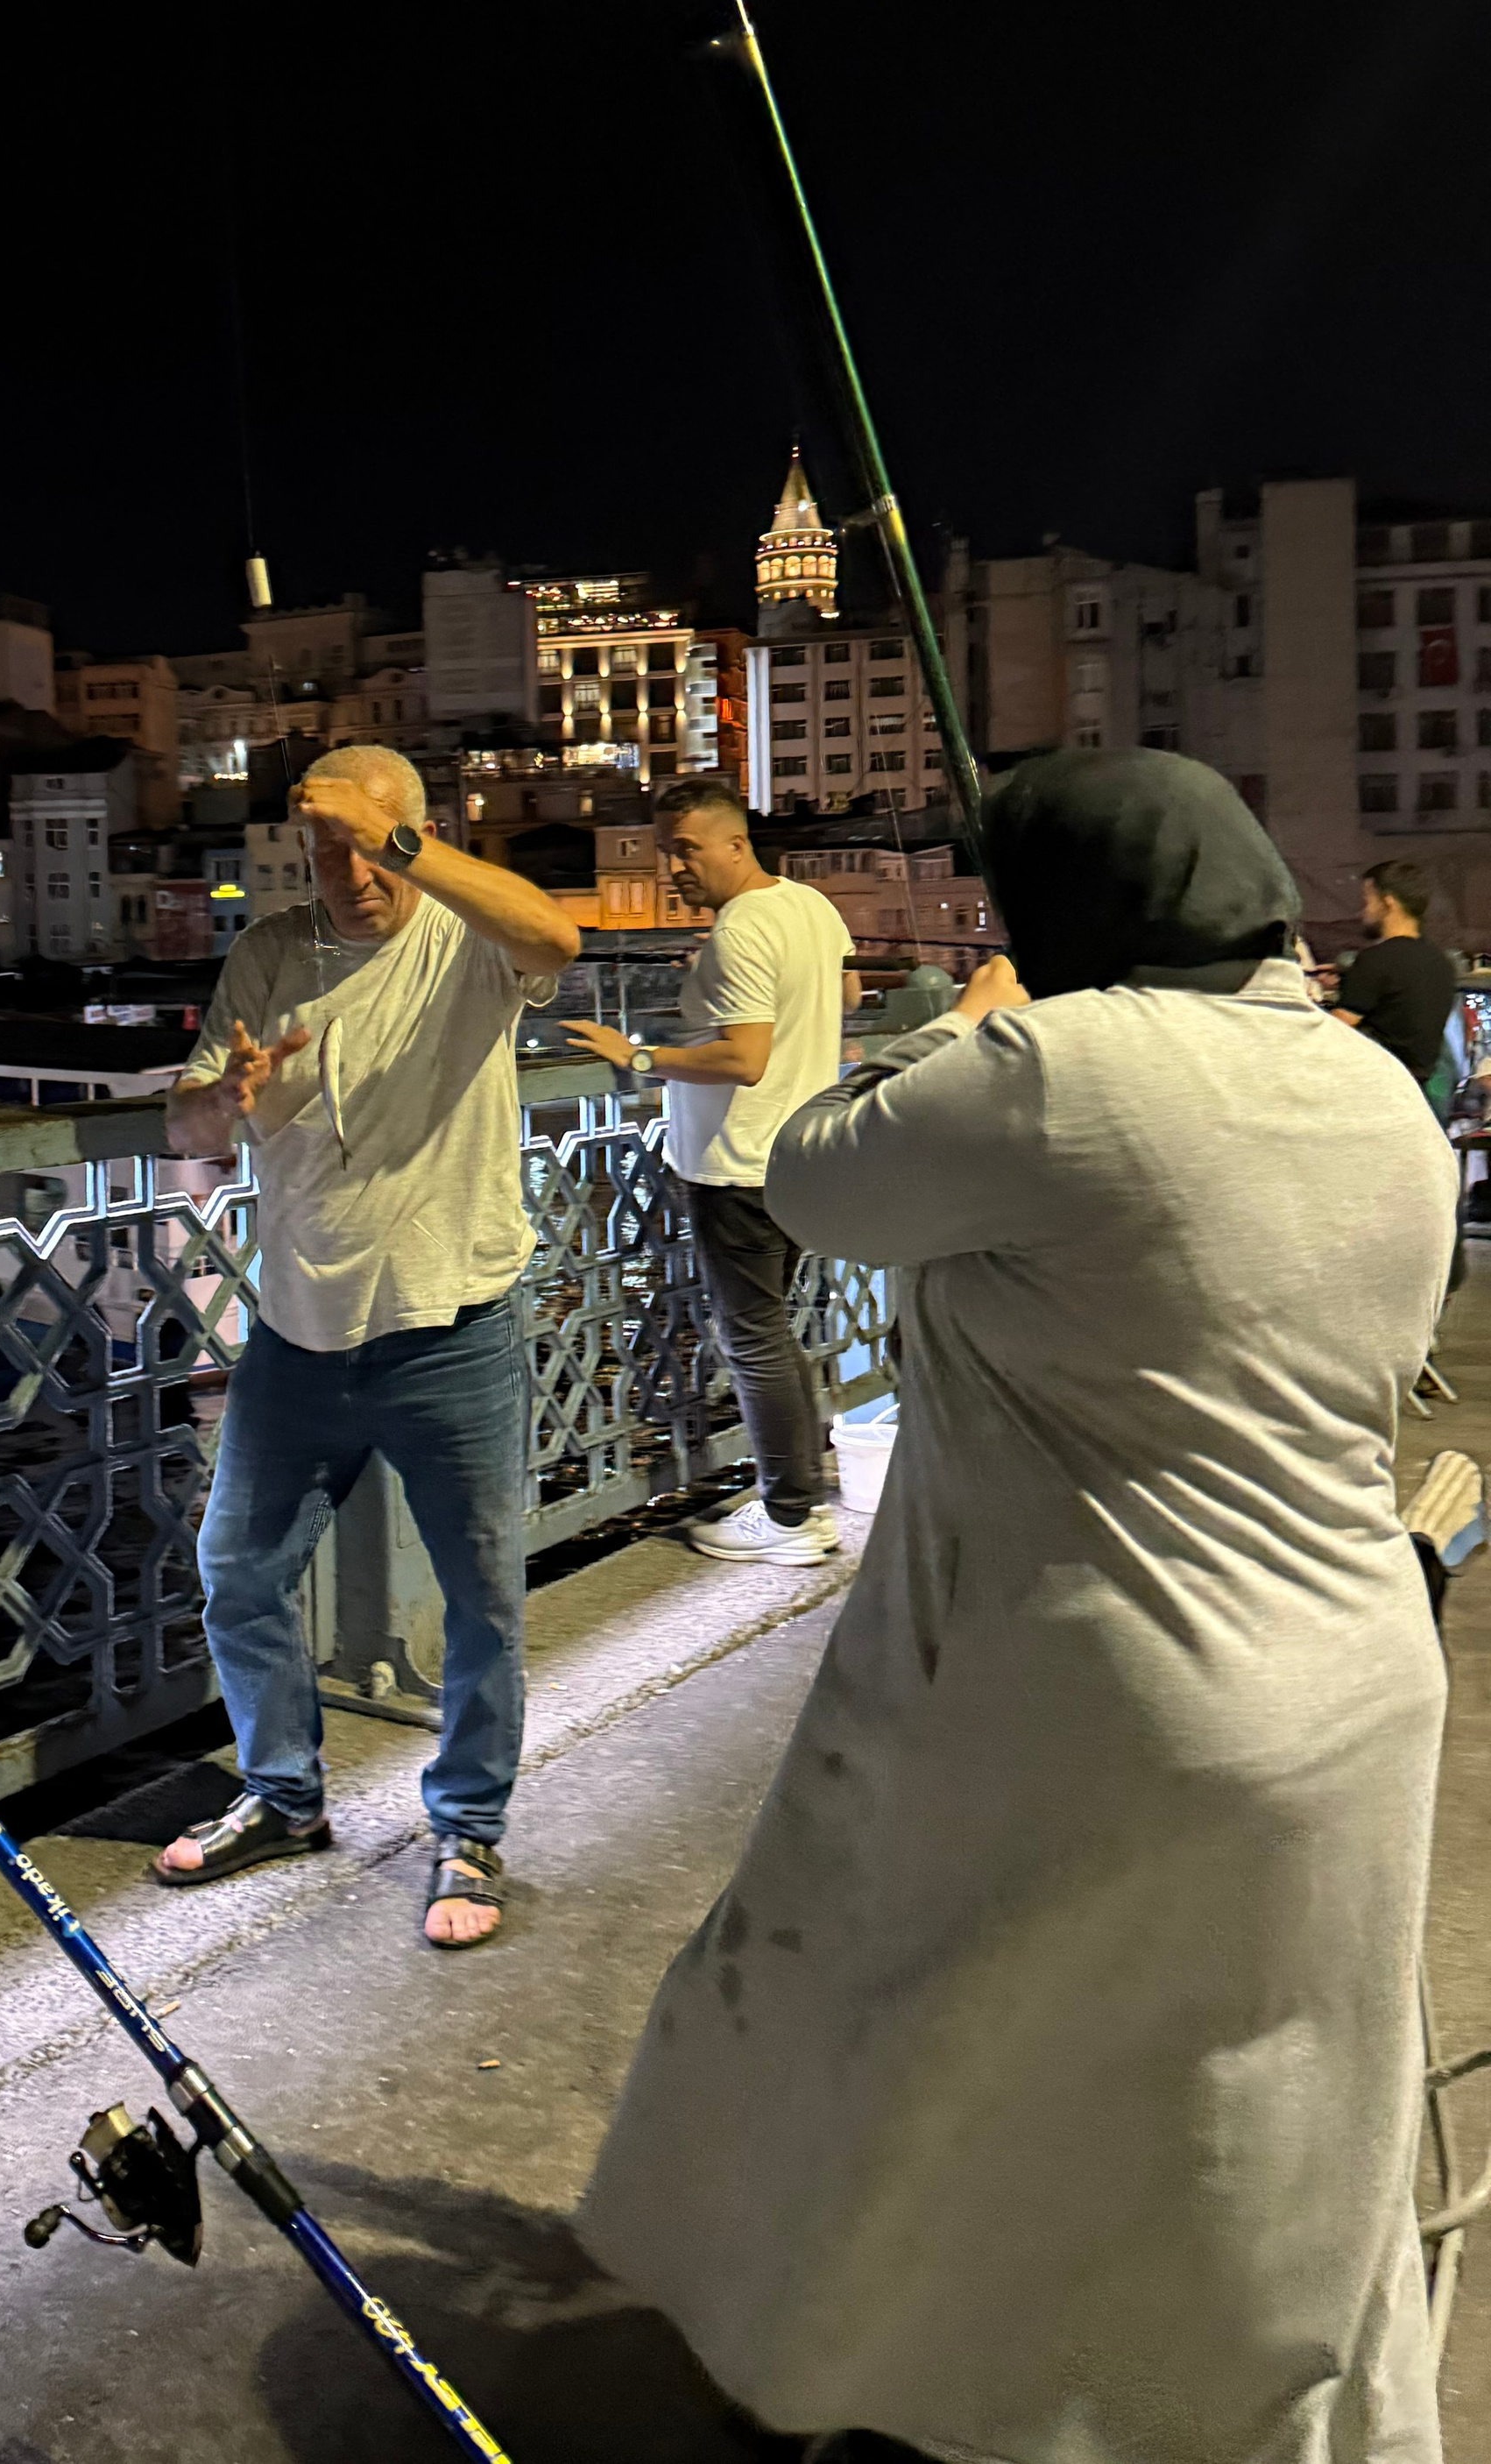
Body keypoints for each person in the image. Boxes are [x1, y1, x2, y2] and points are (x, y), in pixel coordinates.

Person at [577, 748, 1454, 2463]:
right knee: (1262, 2111)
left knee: (974, 2052)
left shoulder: (1063, 1062)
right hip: (1355, 1676)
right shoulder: (1373, 1094)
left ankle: (966, 2397)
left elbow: (809, 1170)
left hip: (1119, 1683)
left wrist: (974, 1010)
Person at [153, 743, 578, 1949]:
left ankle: (470, 1828)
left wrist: (402, 845)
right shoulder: (272, 952)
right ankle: (284, 1795)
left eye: (371, 842)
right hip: (299, 1330)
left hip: (455, 1323)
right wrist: (219, 1099)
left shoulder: (464, 938)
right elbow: (185, 1118)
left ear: (416, 834)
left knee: (483, 1597)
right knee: (237, 1568)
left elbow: (557, 942)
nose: (351, 871)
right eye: (324, 845)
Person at [562, 775, 854, 1567]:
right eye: (666, 853)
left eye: (686, 850)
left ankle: (792, 1516)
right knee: (773, 1330)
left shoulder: (741, 931)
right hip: (802, 1153)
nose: (675, 868)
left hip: (738, 1164)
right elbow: (848, 989)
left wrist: (640, 1056)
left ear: (736, 843)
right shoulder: (811, 908)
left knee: (752, 1338)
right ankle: (804, 1492)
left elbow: (744, 1059)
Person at [1336, 857, 1458, 1106]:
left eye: (1368, 901)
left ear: (1388, 902)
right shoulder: (1442, 964)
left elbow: (1337, 1029)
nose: (1363, 912)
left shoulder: (1375, 960)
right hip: (1417, 1096)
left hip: (1373, 1093)